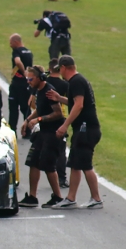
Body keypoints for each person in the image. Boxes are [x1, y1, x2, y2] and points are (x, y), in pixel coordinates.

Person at [48, 56, 102, 208]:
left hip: (86, 129)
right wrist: (60, 98)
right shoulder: (78, 81)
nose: (60, 73)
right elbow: (76, 103)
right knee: (76, 164)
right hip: (84, 129)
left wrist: (65, 125)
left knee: (85, 164)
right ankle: (71, 198)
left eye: (60, 70)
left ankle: (96, 198)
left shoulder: (76, 81)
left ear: (64, 67)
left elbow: (79, 105)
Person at [17, 66, 65, 208]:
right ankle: (32, 196)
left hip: (52, 133)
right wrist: (27, 120)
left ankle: (57, 196)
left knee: (48, 165)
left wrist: (38, 120)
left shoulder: (49, 91)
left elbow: (58, 113)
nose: (28, 81)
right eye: (27, 78)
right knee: (33, 162)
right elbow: (40, 109)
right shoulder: (37, 90)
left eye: (30, 79)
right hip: (42, 133)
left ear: (39, 78)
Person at [47, 59, 70, 187]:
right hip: (61, 119)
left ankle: (49, 174)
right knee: (61, 150)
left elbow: (31, 101)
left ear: (49, 68)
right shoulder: (65, 85)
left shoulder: (44, 83)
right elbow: (71, 101)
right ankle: (61, 178)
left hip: (44, 117)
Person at [7, 33, 34, 129]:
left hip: (17, 84)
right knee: (26, 108)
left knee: (13, 108)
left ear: (16, 42)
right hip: (26, 84)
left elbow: (17, 61)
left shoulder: (16, 51)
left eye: (11, 43)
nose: (10, 45)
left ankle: (12, 130)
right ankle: (28, 131)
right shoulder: (29, 52)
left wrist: (23, 72)